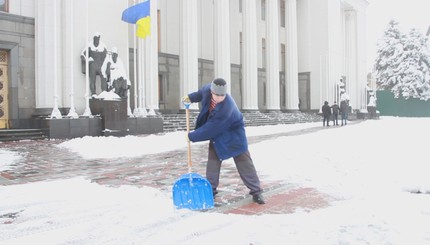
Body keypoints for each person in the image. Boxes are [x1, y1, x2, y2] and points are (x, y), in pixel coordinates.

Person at [182, 78, 265, 204]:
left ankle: (256, 191)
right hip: (218, 136)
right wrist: (190, 97)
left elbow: (211, 128)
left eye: (222, 95)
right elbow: (200, 94)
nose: (220, 98)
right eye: (217, 95)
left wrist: (192, 136)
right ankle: (210, 190)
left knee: (245, 164)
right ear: (212, 91)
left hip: (234, 137)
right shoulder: (207, 90)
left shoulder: (227, 108)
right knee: (213, 164)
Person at [81, 32, 108, 97]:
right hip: (93, 65)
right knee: (92, 79)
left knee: (104, 77)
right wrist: (87, 60)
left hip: (101, 65)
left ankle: (104, 92)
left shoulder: (103, 46)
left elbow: (107, 57)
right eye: (95, 39)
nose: (96, 40)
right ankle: (93, 93)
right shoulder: (90, 45)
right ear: (94, 39)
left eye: (97, 39)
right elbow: (82, 55)